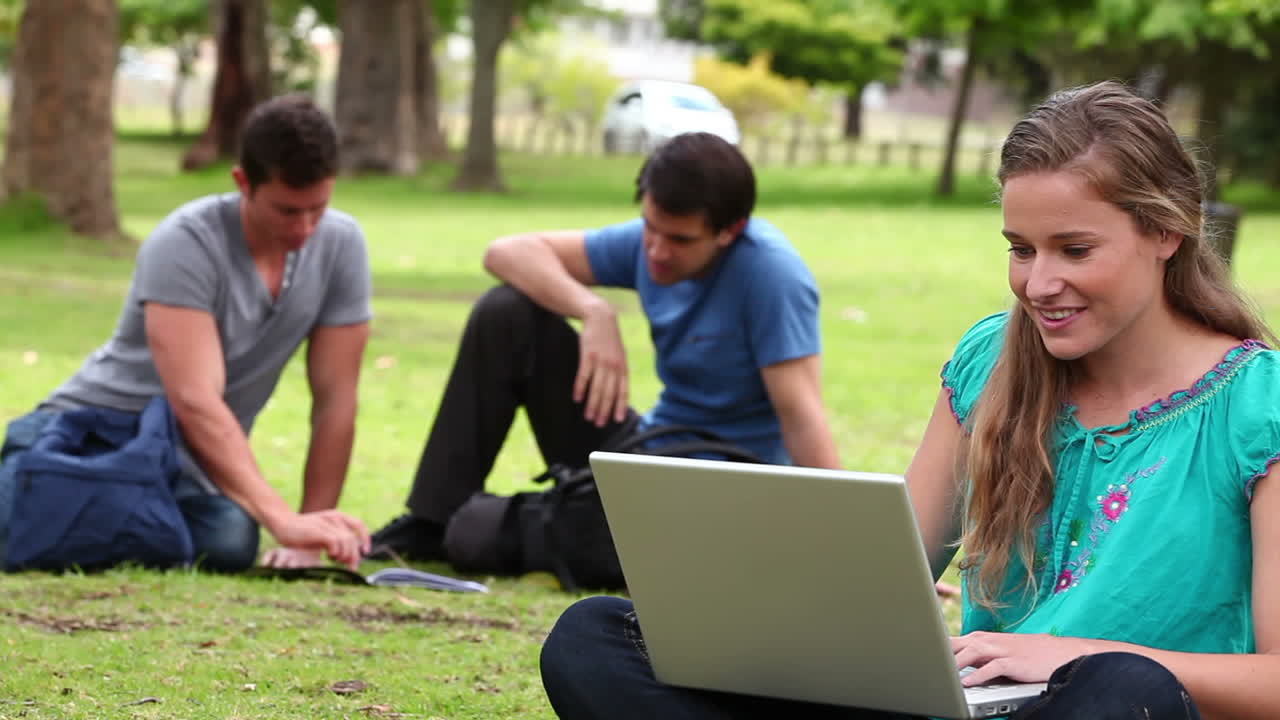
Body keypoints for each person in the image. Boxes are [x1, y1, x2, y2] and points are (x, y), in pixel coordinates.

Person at [539, 81, 1280, 719]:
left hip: (1104, 706)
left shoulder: (1258, 406)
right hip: (958, 701)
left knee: (1122, 687)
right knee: (594, 636)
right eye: (1021, 249)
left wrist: (1069, 655)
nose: (1038, 283)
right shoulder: (992, 361)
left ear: (1168, 233)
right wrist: (763, 618)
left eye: (1074, 250)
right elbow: (886, 575)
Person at [370, 131, 842, 562]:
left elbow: (802, 418)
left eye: (679, 239)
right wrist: (593, 310)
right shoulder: (649, 243)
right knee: (506, 312)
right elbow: (506, 252)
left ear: (729, 231)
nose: (656, 251)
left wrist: (838, 541)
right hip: (646, 455)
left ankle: (513, 522)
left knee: (475, 533)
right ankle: (433, 520)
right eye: (650, 228)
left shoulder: (770, 275)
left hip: (719, 497)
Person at [0, 95, 372, 573]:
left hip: (181, 467)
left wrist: (309, 533)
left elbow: (337, 399)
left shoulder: (342, 245)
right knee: (17, 529)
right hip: (91, 437)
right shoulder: (187, 242)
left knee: (231, 539)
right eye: (286, 211)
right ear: (243, 182)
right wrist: (281, 518)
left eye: (317, 209)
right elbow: (195, 400)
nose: (304, 228)